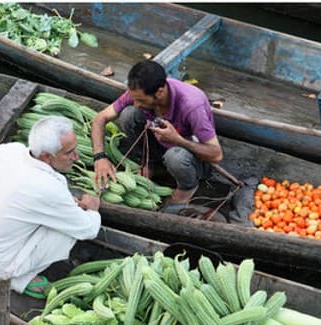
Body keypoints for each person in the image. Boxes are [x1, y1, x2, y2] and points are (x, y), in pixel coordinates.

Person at [0, 116, 101, 299]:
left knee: (59, 216)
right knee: (68, 232)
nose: (76, 157)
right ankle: (19, 278)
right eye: (69, 153)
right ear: (47, 156)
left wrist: (3, 190)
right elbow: (89, 230)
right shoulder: (49, 188)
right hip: (1, 261)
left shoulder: (10, 150)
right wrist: (93, 209)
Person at [91, 60, 223, 213]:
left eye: (140, 100)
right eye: (135, 99)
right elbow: (100, 119)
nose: (136, 103)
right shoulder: (139, 91)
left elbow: (216, 155)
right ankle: (150, 163)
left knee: (175, 157)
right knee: (128, 115)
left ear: (159, 92)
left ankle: (187, 188)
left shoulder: (192, 105)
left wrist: (177, 140)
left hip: (192, 161)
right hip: (159, 148)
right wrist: (100, 157)